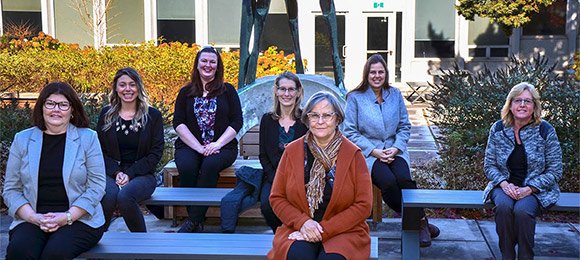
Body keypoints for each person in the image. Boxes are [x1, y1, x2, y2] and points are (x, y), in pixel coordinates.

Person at [343, 54, 440, 247]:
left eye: (381, 72)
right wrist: (374, 151)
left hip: (395, 150)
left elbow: (405, 126)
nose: (377, 76)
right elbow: (349, 131)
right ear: (367, 74)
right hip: (368, 154)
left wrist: (396, 148)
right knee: (388, 182)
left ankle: (417, 222)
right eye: (373, 72)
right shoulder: (355, 97)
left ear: (386, 74)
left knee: (404, 179)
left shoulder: (394, 94)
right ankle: (420, 222)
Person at [3, 82, 106, 259]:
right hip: (33, 218)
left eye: (63, 104)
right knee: (19, 251)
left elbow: (96, 187)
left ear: (72, 109)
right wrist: (33, 217)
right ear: (42, 107)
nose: (56, 109)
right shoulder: (23, 139)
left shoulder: (88, 138)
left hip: (79, 219)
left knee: (54, 254)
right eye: (50, 103)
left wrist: (66, 217)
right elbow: (11, 189)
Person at [268, 91, 372, 260]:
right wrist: (303, 223)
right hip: (299, 228)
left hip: (344, 231)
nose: (320, 121)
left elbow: (363, 205)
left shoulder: (353, 154)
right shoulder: (292, 151)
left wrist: (322, 230)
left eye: (327, 115)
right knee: (298, 256)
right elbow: (277, 198)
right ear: (307, 120)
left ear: (337, 119)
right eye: (314, 115)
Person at [483, 82, 562, 260]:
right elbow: (489, 166)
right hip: (503, 186)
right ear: (510, 105)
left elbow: (555, 170)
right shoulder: (498, 129)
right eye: (518, 100)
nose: (522, 105)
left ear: (535, 106)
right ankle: (507, 255)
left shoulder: (545, 130)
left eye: (528, 101)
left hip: (535, 189)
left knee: (522, 211)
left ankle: (526, 257)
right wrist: (504, 184)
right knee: (503, 207)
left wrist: (530, 188)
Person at [173, 46, 243, 233]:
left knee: (210, 165)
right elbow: (178, 123)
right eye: (204, 61)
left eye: (213, 62)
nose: (208, 65)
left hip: (223, 147)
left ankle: (193, 220)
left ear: (218, 66)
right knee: (187, 166)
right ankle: (196, 217)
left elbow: (237, 122)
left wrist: (216, 144)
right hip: (190, 146)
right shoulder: (185, 92)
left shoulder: (228, 91)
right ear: (197, 64)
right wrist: (198, 147)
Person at [97, 68, 164, 232]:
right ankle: (96, 242)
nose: (127, 89)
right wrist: (116, 173)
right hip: (111, 174)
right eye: (122, 85)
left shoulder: (153, 115)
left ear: (139, 87)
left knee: (126, 197)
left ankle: (141, 245)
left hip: (143, 175)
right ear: (116, 89)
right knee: (107, 197)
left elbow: (156, 153)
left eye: (132, 85)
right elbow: (98, 150)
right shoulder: (106, 114)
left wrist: (130, 173)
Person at [259, 71, 308, 233]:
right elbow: (263, 155)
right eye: (282, 89)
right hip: (273, 175)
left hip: (300, 177)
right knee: (267, 205)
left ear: (298, 91)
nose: (287, 94)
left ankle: (294, 232)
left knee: (299, 204)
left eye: (291, 89)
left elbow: (311, 154)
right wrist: (274, 177)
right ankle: (281, 233)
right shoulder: (267, 119)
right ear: (276, 91)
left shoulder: (306, 120)